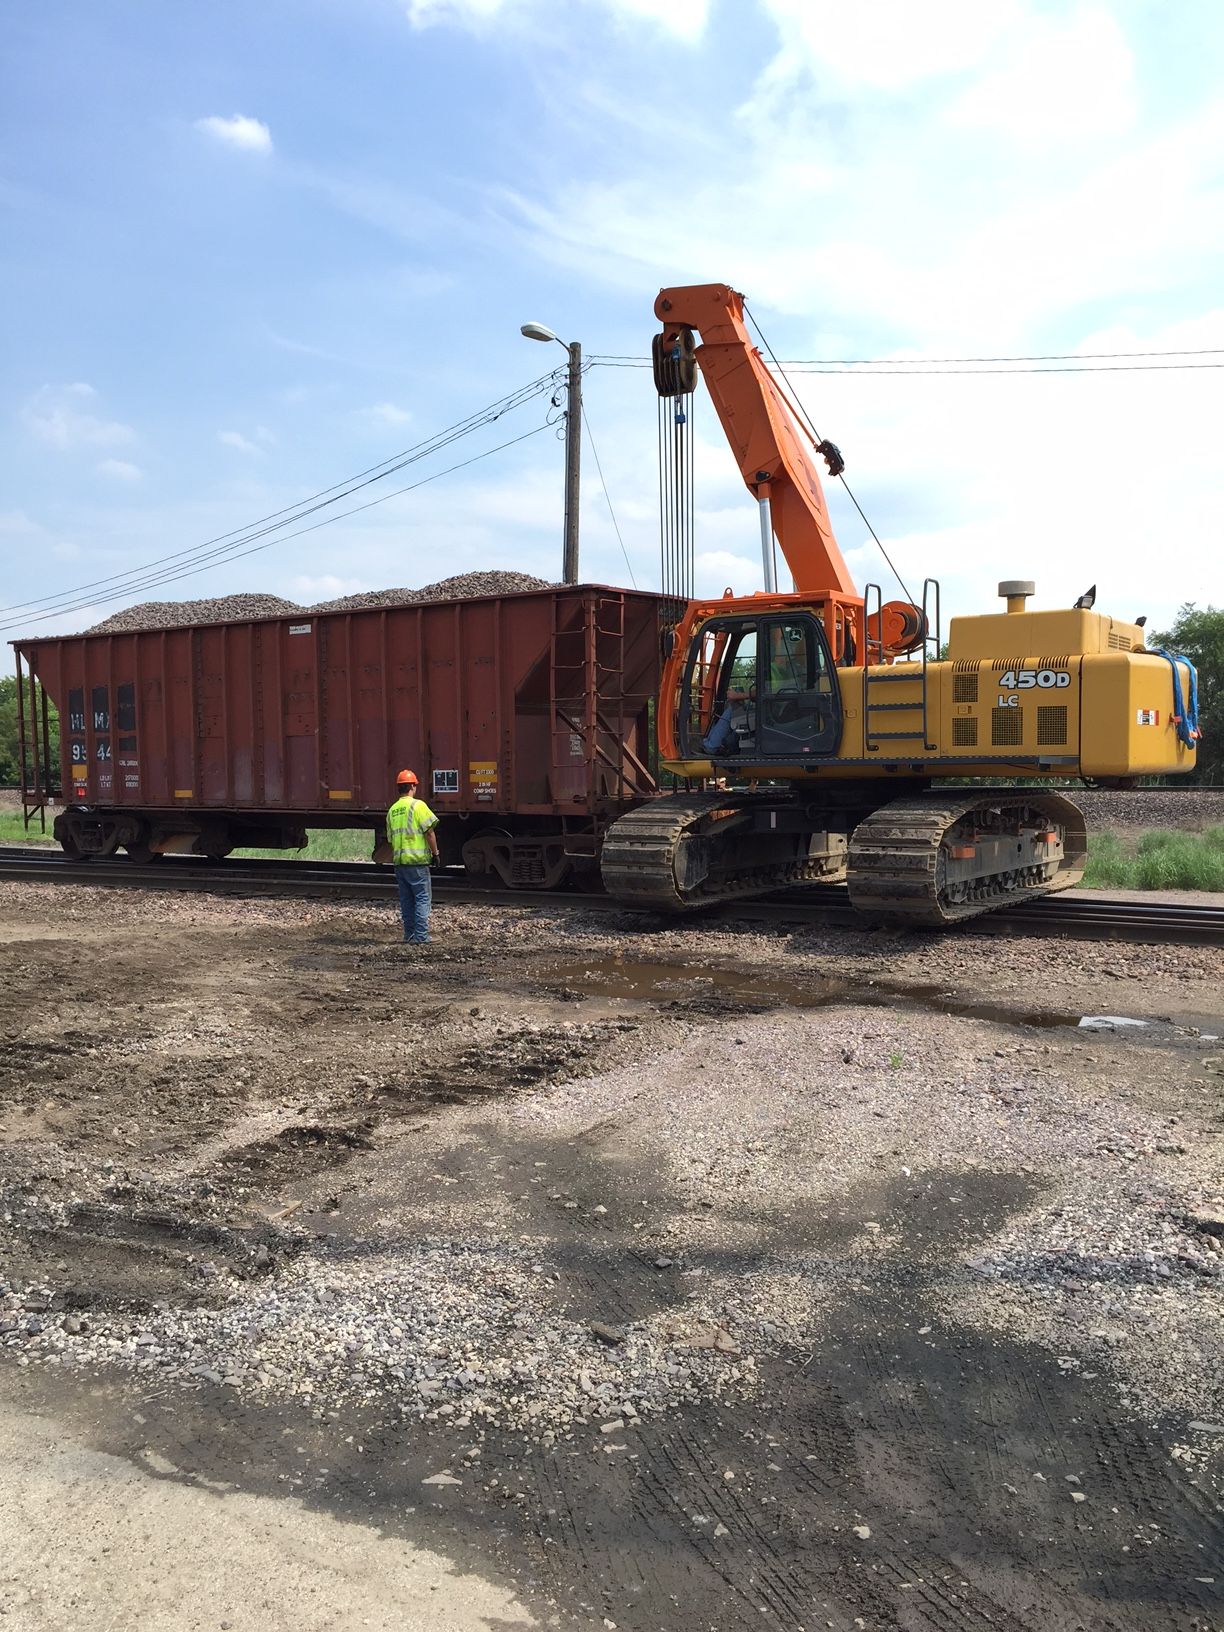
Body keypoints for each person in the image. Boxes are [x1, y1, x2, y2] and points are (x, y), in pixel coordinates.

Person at [387, 769, 439, 944]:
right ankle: (421, 936)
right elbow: (429, 832)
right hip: (417, 862)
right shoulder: (418, 806)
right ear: (412, 786)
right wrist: (436, 853)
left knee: (407, 900)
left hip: (400, 863)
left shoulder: (392, 810)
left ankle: (409, 934)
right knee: (422, 898)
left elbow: (390, 839)